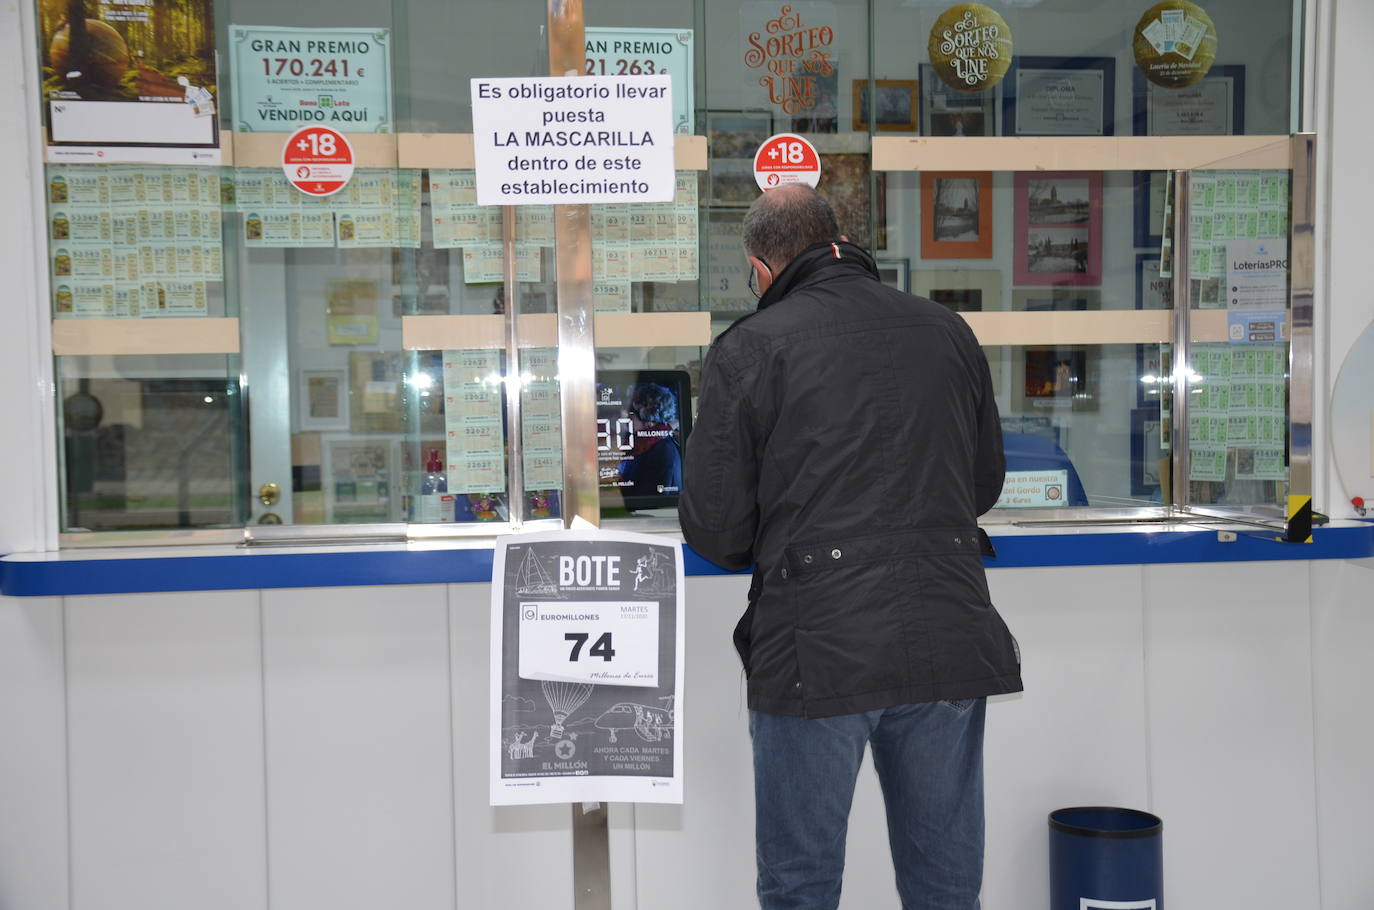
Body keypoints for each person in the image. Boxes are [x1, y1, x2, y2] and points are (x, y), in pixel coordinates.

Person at [679, 184, 1021, 910]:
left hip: (816, 650)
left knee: (801, 886)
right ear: (840, 240)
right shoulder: (946, 330)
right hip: (949, 637)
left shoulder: (750, 348)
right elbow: (983, 483)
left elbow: (715, 526)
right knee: (947, 888)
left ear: (761, 268)